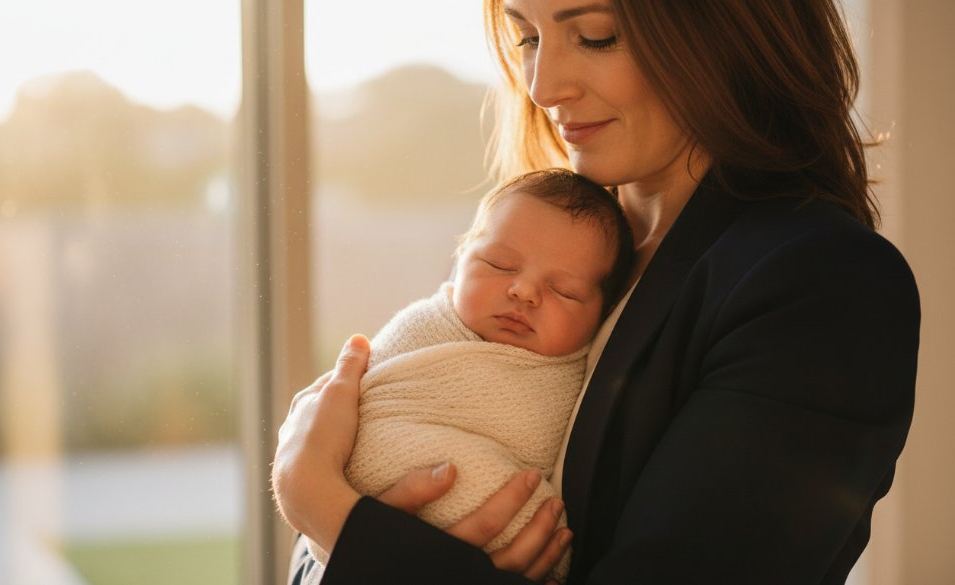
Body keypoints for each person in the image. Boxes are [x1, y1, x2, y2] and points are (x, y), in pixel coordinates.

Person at [273, 1, 920, 583]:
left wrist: (323, 505)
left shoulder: (822, 283)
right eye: (526, 37)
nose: (542, 85)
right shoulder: (548, 237)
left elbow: (346, 527)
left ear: (723, 29)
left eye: (596, 36)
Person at [297, 168, 633, 584]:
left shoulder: (577, 374)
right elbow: (360, 411)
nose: (524, 291)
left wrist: (318, 495)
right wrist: (318, 490)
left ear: (602, 316)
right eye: (499, 264)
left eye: (564, 290)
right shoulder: (425, 326)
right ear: (460, 259)